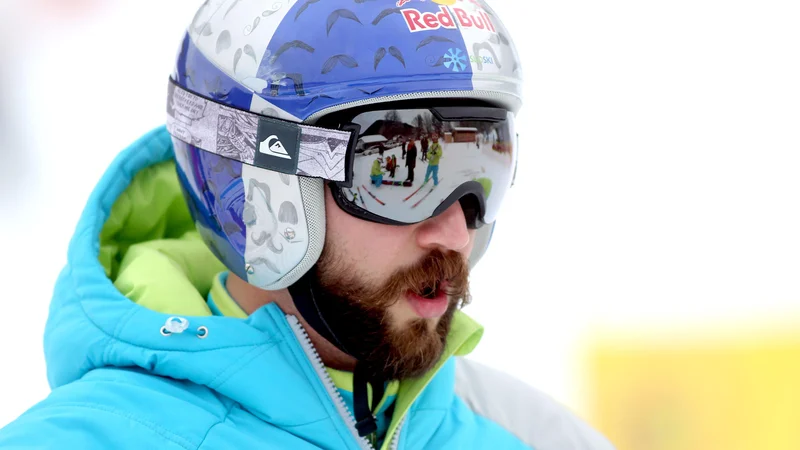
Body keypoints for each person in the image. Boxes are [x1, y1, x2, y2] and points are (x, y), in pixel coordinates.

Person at [0, 1, 615, 449]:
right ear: (257, 191)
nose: (455, 233)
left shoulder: (536, 435)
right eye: (396, 171)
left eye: (485, 165)